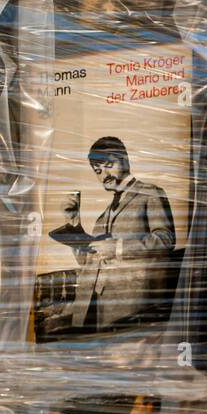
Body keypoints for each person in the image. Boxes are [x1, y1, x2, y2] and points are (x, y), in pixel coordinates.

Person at [57, 136, 176, 331]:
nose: (104, 174)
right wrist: (73, 223)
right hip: (91, 308)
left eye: (109, 164)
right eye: (97, 170)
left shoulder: (151, 193)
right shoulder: (102, 217)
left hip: (130, 309)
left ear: (125, 160)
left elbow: (165, 240)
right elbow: (87, 263)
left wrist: (117, 247)